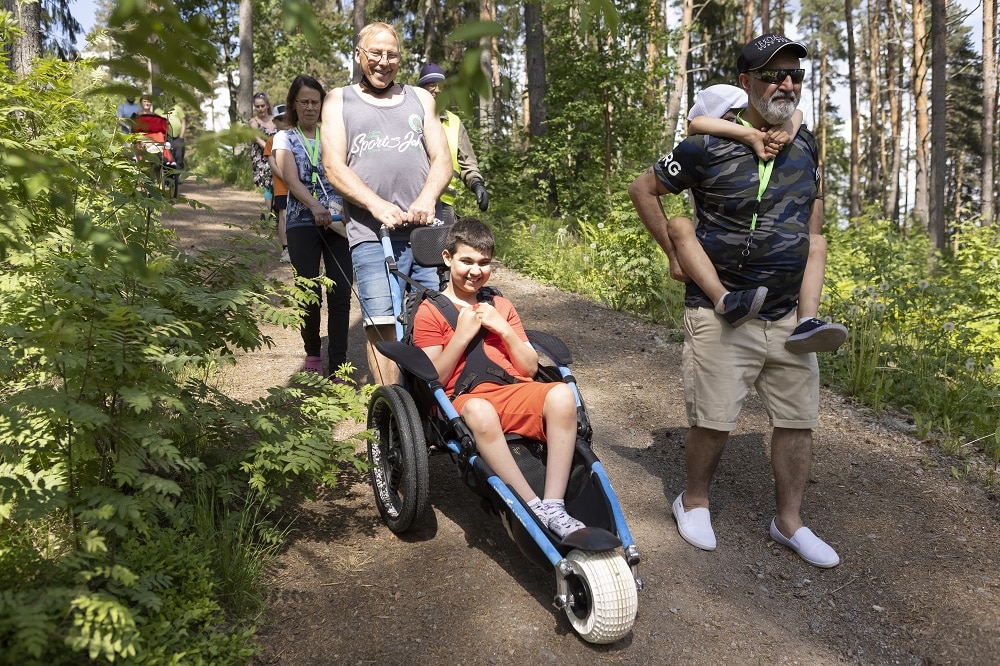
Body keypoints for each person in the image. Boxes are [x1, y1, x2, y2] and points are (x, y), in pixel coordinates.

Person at [629, 34, 840, 568]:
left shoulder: (807, 141)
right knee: (714, 417)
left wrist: (807, 245)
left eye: (794, 74)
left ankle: (788, 522)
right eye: (773, 75)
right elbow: (644, 190)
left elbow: (812, 202)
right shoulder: (707, 146)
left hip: (790, 313)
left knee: (798, 420)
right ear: (746, 83)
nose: (786, 84)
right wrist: (673, 256)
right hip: (722, 308)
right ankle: (693, 499)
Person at [411, 218, 585, 538]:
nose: (475, 271)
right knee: (481, 410)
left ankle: (554, 505)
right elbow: (432, 378)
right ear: (448, 258)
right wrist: (462, 336)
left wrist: (503, 328)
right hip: (463, 400)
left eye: (484, 263)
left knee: (561, 393)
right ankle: (528, 503)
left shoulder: (500, 306)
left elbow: (530, 368)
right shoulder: (430, 312)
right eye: (466, 261)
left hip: (512, 388)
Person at [666, 84, 847, 353]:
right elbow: (697, 124)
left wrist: (786, 132)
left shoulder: (789, 137)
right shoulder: (710, 143)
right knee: (678, 224)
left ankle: (807, 320)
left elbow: (796, 113)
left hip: (781, 299)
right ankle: (724, 300)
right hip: (713, 246)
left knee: (817, 242)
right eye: (731, 117)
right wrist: (748, 134)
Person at [320, 21, 453, 386]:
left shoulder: (421, 98)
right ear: (359, 55)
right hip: (370, 232)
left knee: (437, 323)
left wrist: (427, 198)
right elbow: (333, 166)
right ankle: (390, 421)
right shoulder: (338, 99)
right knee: (382, 326)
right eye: (375, 53)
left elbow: (442, 160)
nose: (383, 61)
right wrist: (376, 205)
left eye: (391, 54)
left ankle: (432, 411)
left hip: (425, 233)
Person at [272, 75, 353, 376]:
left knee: (341, 293)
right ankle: (313, 356)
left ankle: (340, 364)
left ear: (323, 104)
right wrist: (315, 206)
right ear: (294, 103)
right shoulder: (285, 137)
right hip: (301, 221)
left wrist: (344, 208)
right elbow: (290, 179)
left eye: (315, 102)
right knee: (309, 292)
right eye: (303, 101)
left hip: (338, 224)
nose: (309, 107)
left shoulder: (333, 135)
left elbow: (346, 174)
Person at [416, 63, 490, 224]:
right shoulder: (410, 119)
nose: (437, 90)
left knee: (444, 249)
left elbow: (467, 164)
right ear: (421, 89)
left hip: (444, 207)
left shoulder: (455, 123)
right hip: (412, 203)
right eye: (431, 85)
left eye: (441, 85)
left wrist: (477, 184)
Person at [265, 104, 291, 262]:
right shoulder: (272, 140)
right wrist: (289, 179)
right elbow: (273, 164)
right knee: (283, 215)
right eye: (281, 118)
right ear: (275, 121)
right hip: (282, 186)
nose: (285, 121)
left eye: (287, 117)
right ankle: (286, 248)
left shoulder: (297, 136)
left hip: (302, 187)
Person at [250, 92, 277, 215]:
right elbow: (257, 138)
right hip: (262, 157)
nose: (260, 109)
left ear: (267, 105)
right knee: (267, 184)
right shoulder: (254, 122)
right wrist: (270, 149)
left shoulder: (275, 119)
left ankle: (279, 210)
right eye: (257, 106)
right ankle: (270, 213)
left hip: (277, 155)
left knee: (278, 182)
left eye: (262, 106)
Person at [166, 102, 187, 170]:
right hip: (166, 138)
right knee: (168, 158)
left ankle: (177, 176)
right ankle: (169, 178)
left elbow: (183, 122)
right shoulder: (159, 110)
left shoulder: (177, 108)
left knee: (179, 157)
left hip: (178, 138)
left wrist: (181, 136)